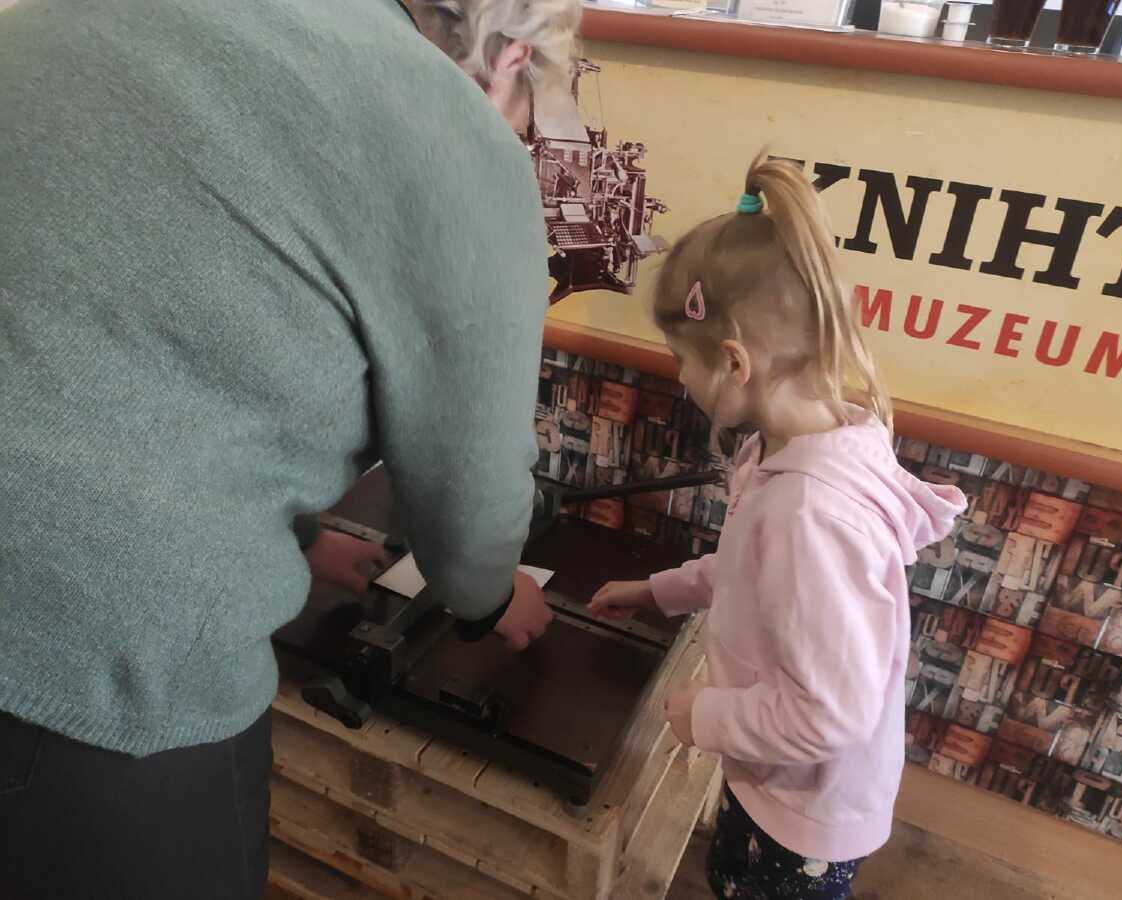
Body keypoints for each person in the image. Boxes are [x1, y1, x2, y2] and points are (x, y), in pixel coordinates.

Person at [0, 0, 577, 897]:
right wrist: (491, 594)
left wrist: (303, 538)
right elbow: (470, 505)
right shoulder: (448, 124)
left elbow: (133, 334)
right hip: (98, 674)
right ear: (509, 59)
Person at [589, 156, 967, 900]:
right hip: (774, 772)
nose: (679, 378)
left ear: (734, 362)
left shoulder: (810, 515)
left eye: (681, 360)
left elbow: (829, 716)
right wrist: (657, 590)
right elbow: (748, 570)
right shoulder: (795, 445)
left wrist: (704, 715)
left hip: (805, 813)